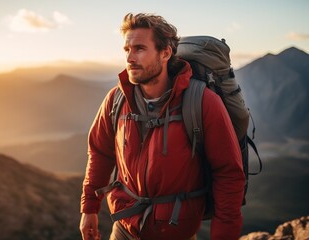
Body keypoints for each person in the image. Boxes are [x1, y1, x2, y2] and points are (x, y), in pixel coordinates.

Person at [80, 13, 245, 240]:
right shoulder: (116, 99)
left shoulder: (202, 102)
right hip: (125, 229)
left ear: (166, 52)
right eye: (127, 49)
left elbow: (228, 174)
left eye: (139, 48)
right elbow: (99, 152)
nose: (129, 58)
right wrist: (89, 207)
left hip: (177, 233)